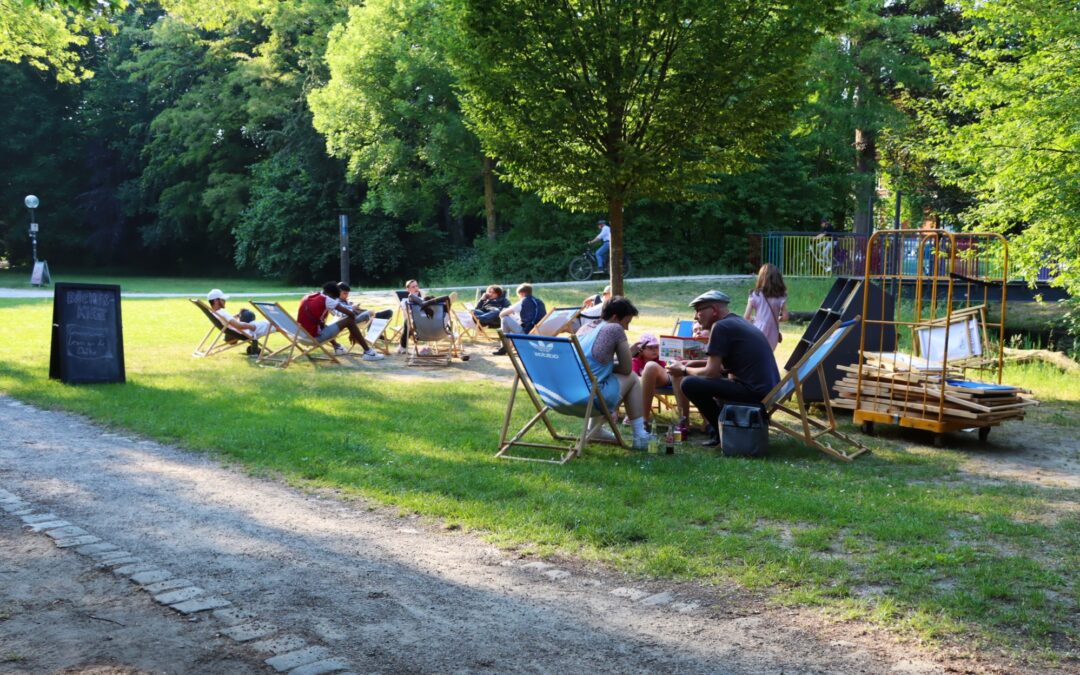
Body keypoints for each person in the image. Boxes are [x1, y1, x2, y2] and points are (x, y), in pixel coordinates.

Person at [669, 290, 780, 447]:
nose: (695, 316)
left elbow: (711, 372)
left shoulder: (721, 327)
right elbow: (721, 365)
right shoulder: (738, 321)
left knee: (689, 384)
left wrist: (683, 370)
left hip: (754, 392)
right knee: (708, 381)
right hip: (768, 390)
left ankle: (721, 431)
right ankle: (719, 432)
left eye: (699, 310)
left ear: (714, 310)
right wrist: (692, 364)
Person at [577, 297, 651, 450]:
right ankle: (640, 435)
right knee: (632, 377)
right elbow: (626, 369)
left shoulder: (585, 328)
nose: (627, 328)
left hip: (570, 394)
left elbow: (595, 362)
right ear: (616, 318)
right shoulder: (614, 329)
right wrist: (628, 357)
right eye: (627, 322)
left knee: (603, 378)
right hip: (590, 399)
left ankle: (595, 430)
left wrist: (621, 358)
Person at [297, 282, 385, 361]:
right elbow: (350, 314)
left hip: (299, 335)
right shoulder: (327, 299)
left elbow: (318, 322)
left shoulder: (308, 296)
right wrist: (353, 332)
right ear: (331, 295)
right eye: (334, 298)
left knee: (322, 323)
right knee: (349, 321)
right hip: (313, 338)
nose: (334, 300)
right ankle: (368, 352)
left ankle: (337, 347)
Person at [631, 333, 691, 436]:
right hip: (645, 382)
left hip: (664, 379)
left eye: (656, 347)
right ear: (641, 350)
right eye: (650, 348)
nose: (655, 350)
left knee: (656, 367)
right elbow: (633, 376)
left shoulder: (659, 360)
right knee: (650, 367)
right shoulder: (636, 361)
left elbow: (666, 370)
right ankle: (644, 421)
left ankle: (684, 423)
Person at [207, 288, 273, 356]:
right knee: (271, 323)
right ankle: (255, 349)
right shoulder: (222, 312)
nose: (225, 301)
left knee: (246, 313)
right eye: (222, 299)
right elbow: (239, 326)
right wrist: (252, 326)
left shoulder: (213, 312)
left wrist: (237, 316)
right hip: (245, 331)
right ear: (215, 301)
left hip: (234, 332)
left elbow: (228, 321)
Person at [743, 263, 789, 351]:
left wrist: (754, 319)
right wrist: (777, 319)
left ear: (761, 278)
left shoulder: (755, 295)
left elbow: (746, 317)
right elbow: (785, 317)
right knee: (768, 356)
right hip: (773, 332)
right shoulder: (781, 296)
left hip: (757, 331)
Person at [492, 283, 547, 355]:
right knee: (513, 322)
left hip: (527, 333)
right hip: (539, 332)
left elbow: (501, 314)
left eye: (518, 295)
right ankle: (510, 346)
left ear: (522, 293)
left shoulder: (523, 301)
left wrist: (509, 314)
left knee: (505, 319)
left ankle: (504, 347)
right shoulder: (539, 301)